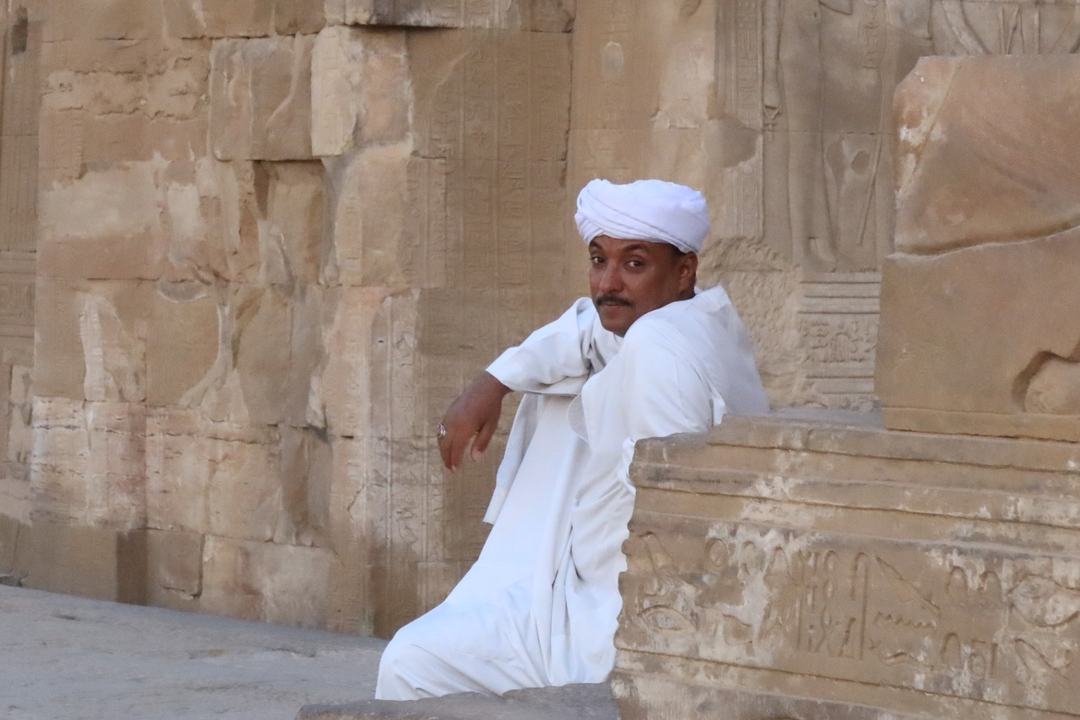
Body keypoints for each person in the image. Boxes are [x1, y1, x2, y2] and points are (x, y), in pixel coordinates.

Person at [375, 179, 769, 700]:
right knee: (417, 656)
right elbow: (586, 330)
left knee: (413, 661)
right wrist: (492, 382)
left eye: (634, 264)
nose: (608, 283)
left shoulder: (660, 346)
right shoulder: (688, 321)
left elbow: (674, 519)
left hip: (621, 615)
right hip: (572, 592)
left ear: (684, 270)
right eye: (598, 259)